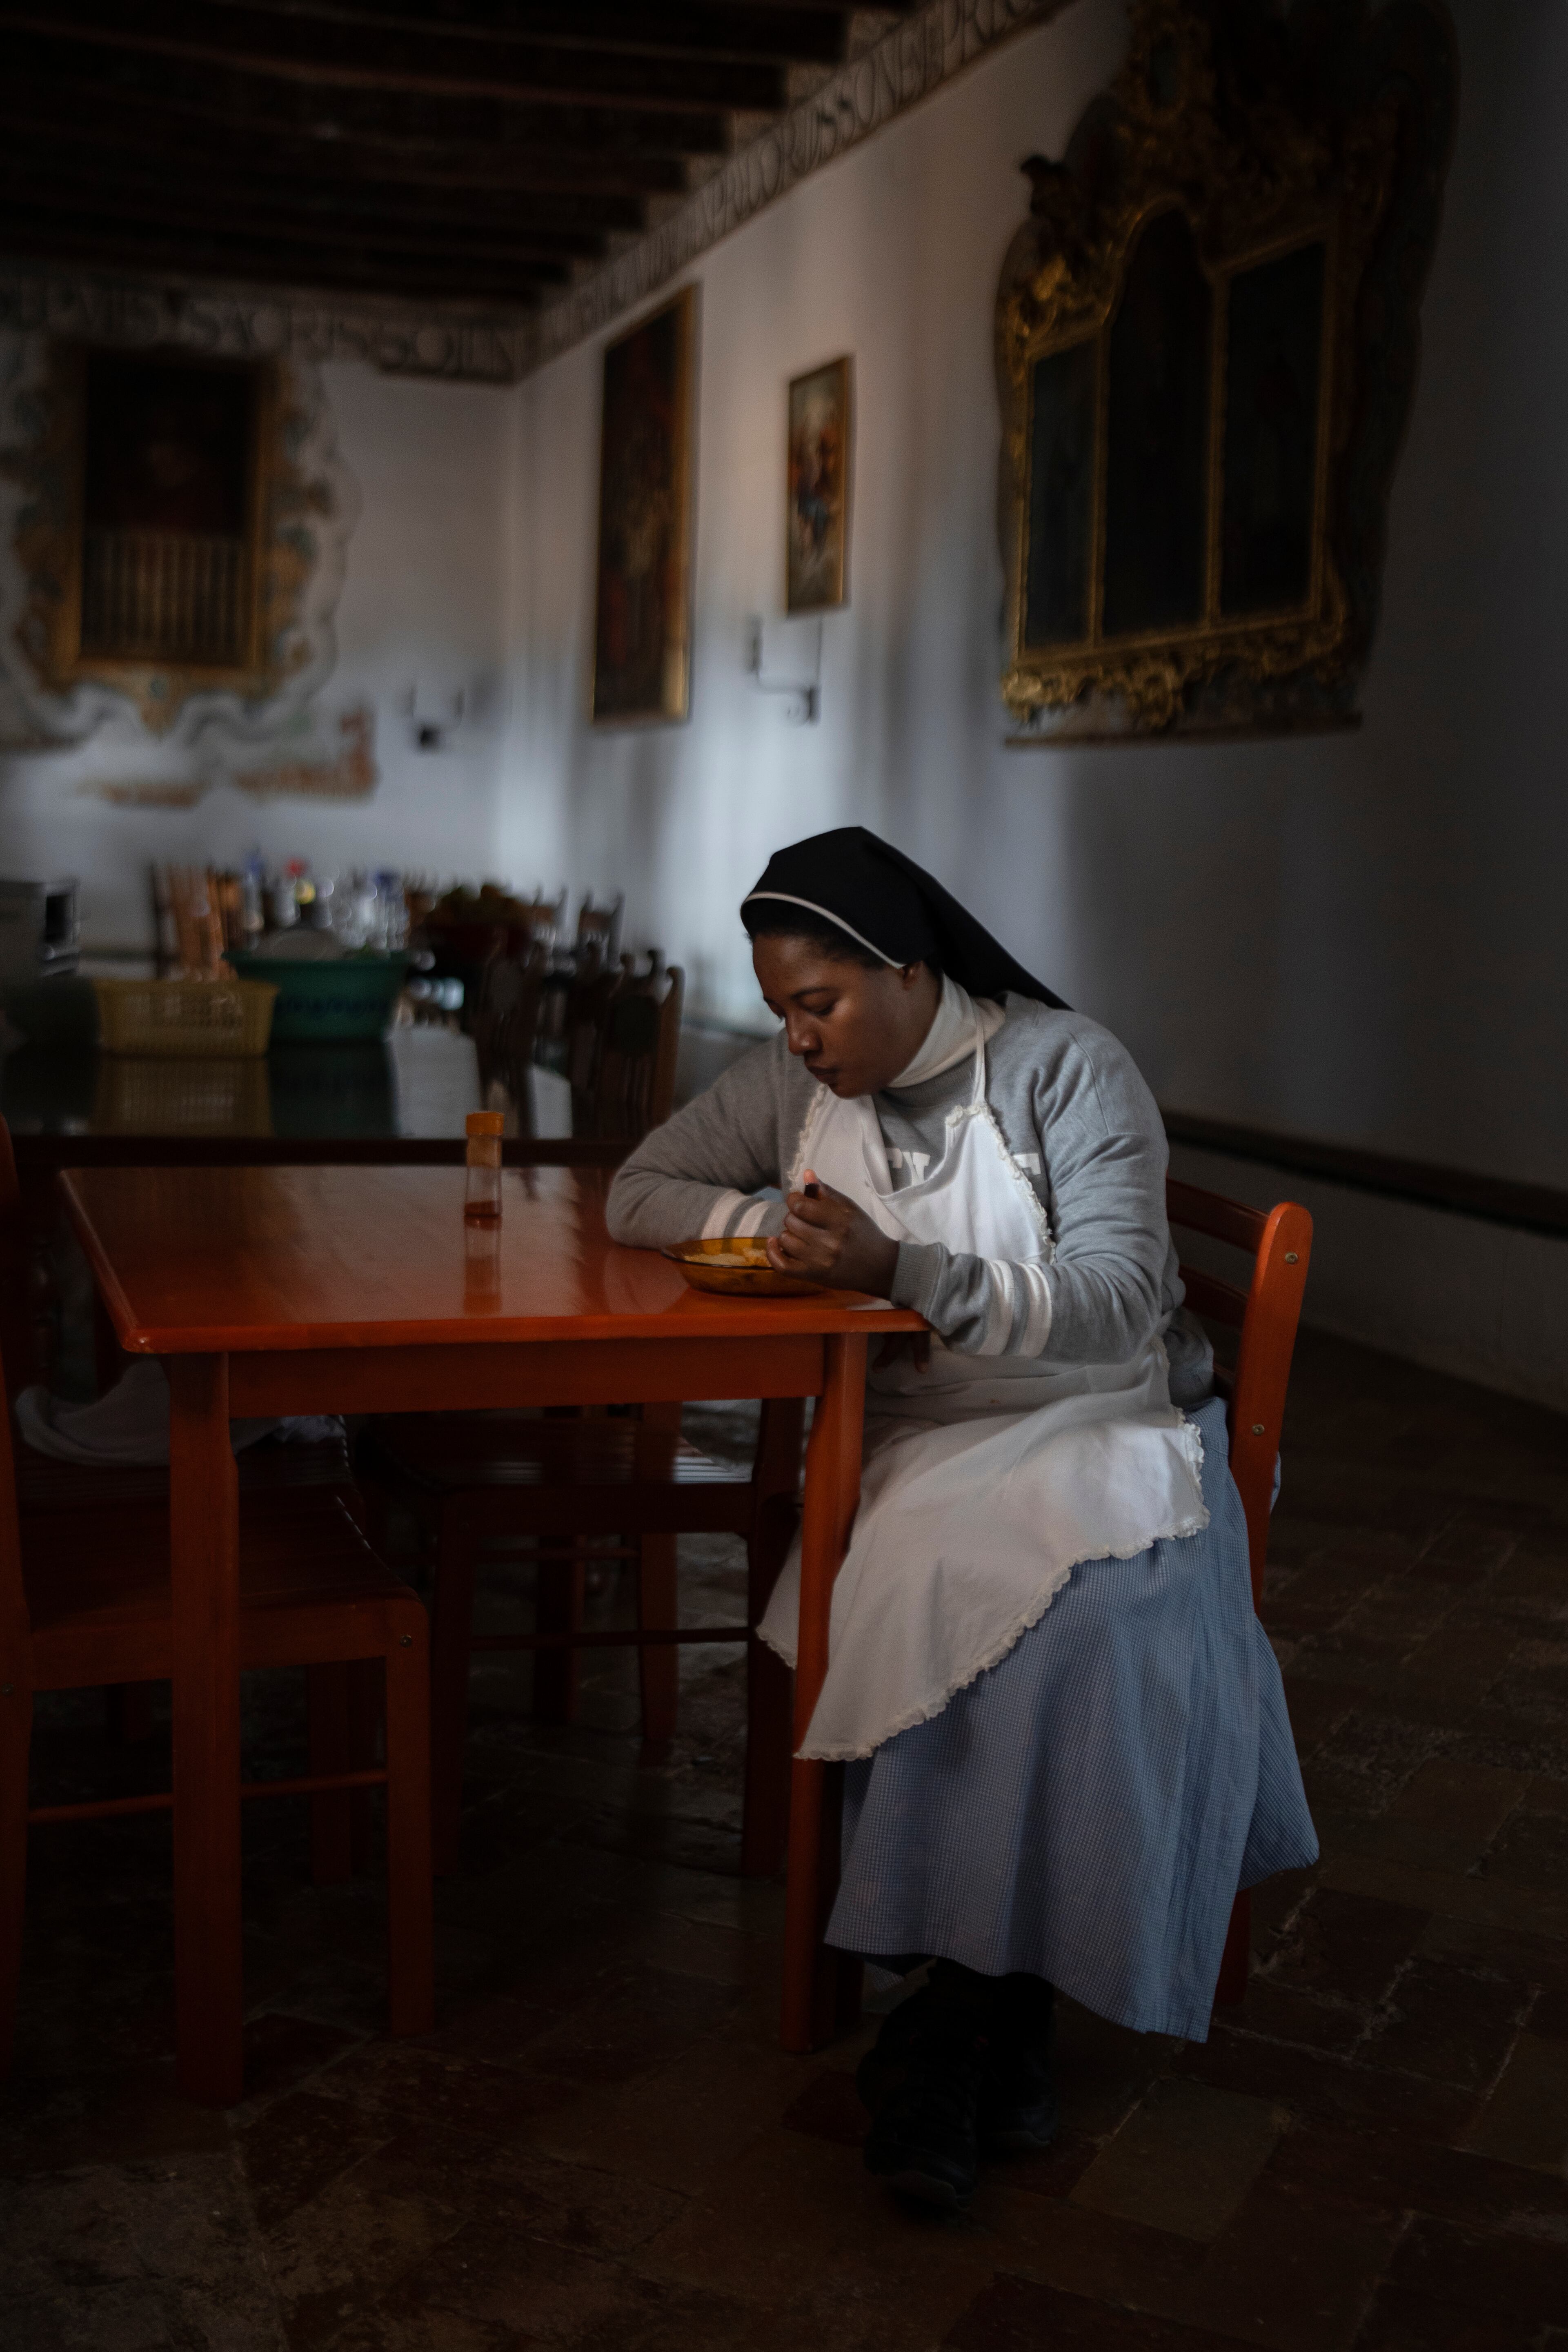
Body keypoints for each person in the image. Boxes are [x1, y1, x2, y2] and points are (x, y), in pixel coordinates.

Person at [606, 826, 1316, 2210]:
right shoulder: (786, 1087)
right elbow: (639, 1189)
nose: (799, 1040)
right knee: (947, 1585)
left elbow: (1117, 1293)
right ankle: (1005, 2025)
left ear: (909, 967)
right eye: (780, 1012)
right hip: (927, 1432)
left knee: (1101, 1615)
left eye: (821, 1004)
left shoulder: (1064, 1066)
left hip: (1106, 1412)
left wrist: (902, 1268)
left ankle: (952, 2026)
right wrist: (772, 1224)